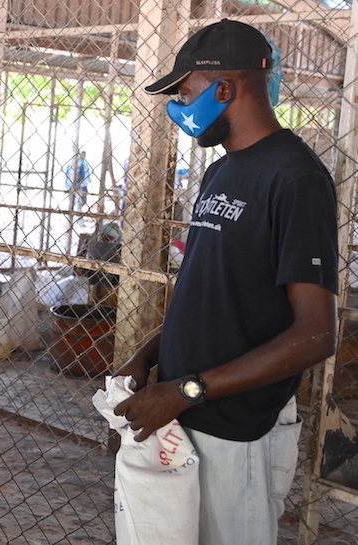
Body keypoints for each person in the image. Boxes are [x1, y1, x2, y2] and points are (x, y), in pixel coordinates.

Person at [112, 20, 338, 545]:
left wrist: (188, 389)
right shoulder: (220, 172)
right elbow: (207, 293)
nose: (177, 108)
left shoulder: (295, 177)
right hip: (186, 412)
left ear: (226, 89)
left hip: (238, 426)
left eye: (185, 94)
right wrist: (147, 357)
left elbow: (314, 335)